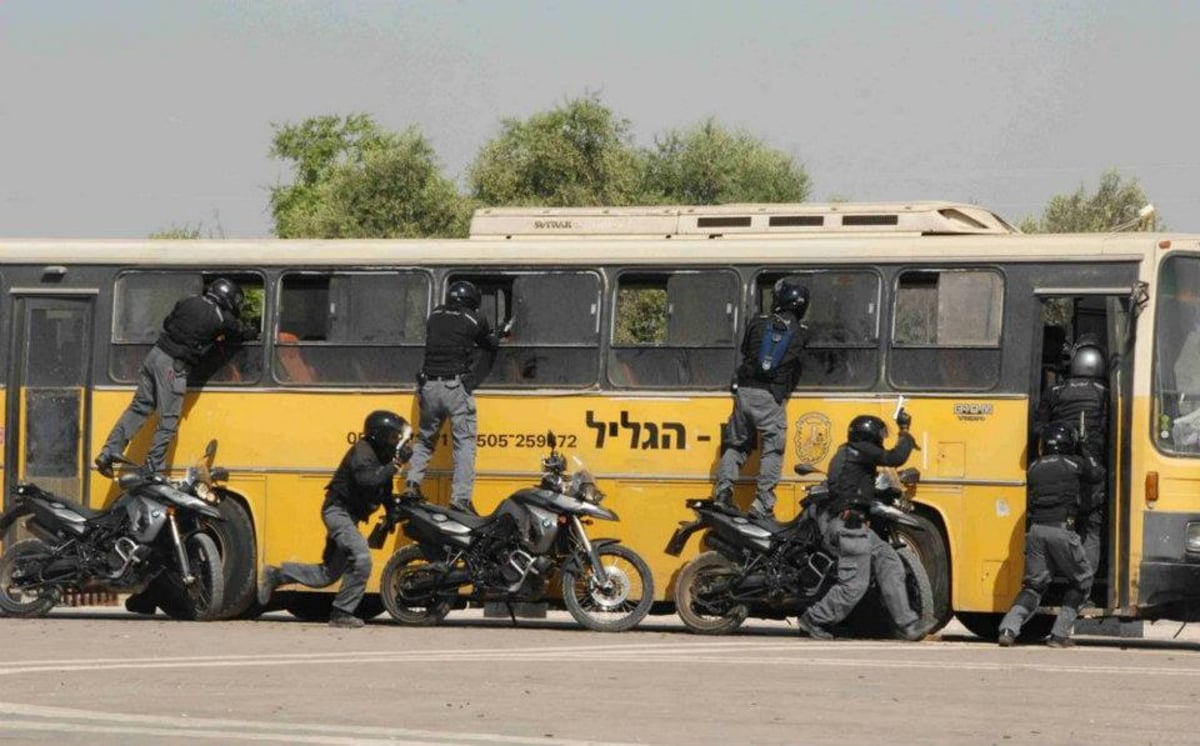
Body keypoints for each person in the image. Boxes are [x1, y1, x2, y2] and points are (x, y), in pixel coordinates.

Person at [257, 410, 413, 629]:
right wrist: (396, 464)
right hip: (337, 512)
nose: (395, 442)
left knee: (327, 574)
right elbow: (368, 481)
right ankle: (342, 613)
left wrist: (391, 509)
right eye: (392, 437)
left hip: (350, 516)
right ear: (379, 435)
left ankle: (277, 575)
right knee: (361, 559)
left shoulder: (380, 454)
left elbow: (382, 487)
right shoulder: (363, 452)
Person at [95, 278, 257, 476]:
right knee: (168, 420)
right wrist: (252, 329)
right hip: (173, 366)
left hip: (154, 356)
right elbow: (242, 333)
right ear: (228, 299)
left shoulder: (188, 301)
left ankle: (108, 452)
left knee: (139, 407)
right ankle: (153, 468)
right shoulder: (221, 318)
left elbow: (168, 322)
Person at [796, 411, 925, 642]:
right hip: (849, 527)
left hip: (857, 527)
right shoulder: (860, 449)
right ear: (869, 435)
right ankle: (813, 618)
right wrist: (905, 433)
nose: (880, 441)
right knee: (854, 585)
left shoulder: (849, 454)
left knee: (889, 560)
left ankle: (908, 624)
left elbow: (857, 485)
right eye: (879, 436)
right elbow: (895, 457)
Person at [402, 280, 505, 514]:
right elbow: (489, 344)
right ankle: (460, 498)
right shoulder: (473, 319)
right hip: (454, 388)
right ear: (472, 302)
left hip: (428, 386)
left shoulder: (434, 316)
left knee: (426, 441)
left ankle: (411, 484)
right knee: (464, 445)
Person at [998, 423, 1104, 648]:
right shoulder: (1071, 463)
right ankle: (1059, 634)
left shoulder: (1033, 467)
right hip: (1061, 531)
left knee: (1034, 586)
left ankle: (1008, 629)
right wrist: (1085, 449)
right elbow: (1097, 474)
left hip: (1036, 531)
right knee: (1082, 580)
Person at [713, 278, 809, 519]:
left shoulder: (757, 323)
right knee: (772, 450)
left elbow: (746, 351)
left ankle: (723, 493)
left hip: (744, 391)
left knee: (736, 445)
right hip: (770, 396)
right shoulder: (799, 333)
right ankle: (762, 504)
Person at [1037, 336, 1108, 576]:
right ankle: (1084, 585)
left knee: (1061, 524)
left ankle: (1055, 575)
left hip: (1060, 470)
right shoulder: (1105, 393)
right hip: (1094, 468)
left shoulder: (1054, 391)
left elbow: (1037, 427)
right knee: (1093, 527)